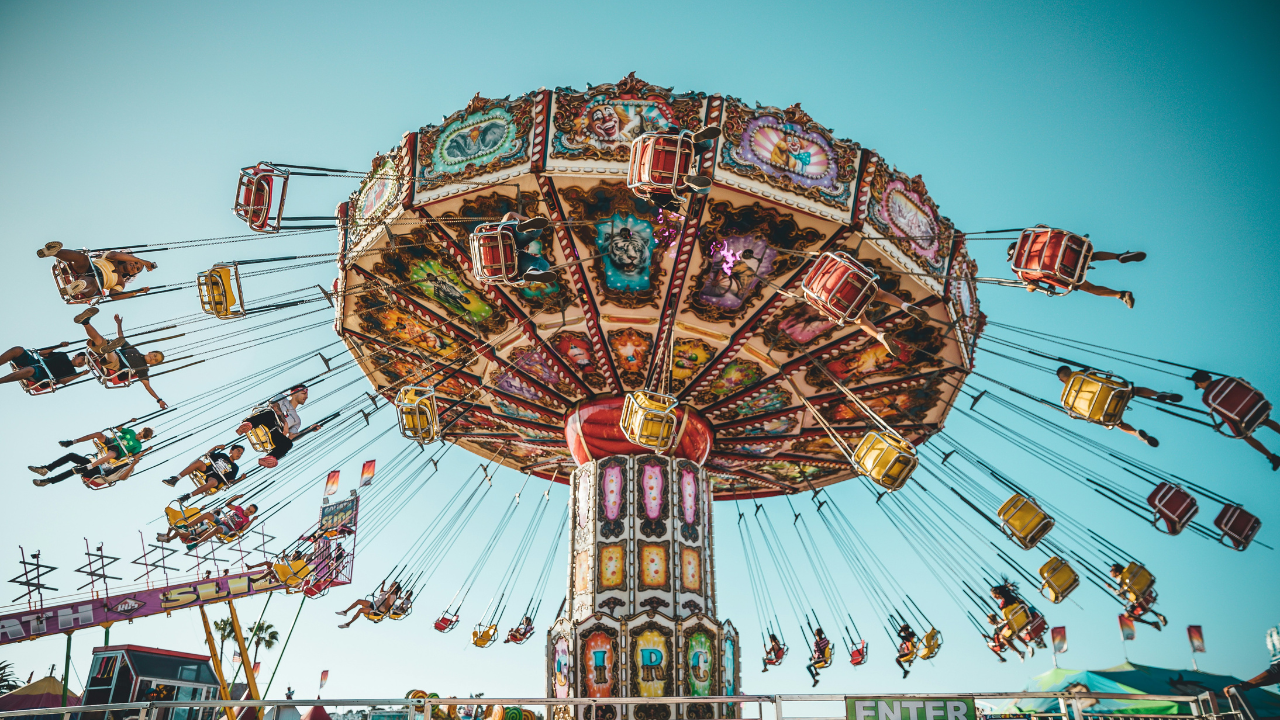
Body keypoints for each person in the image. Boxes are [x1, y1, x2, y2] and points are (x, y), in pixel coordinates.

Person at [1057, 366, 1180, 448]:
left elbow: (1076, 414)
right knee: (1135, 390)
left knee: (1117, 423)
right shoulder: (1082, 373)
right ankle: (1158, 394)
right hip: (1114, 393)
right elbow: (1101, 375)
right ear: (1070, 370)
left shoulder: (1065, 397)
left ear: (1062, 381)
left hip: (1102, 411)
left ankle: (1137, 434)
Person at [1007, 238, 1145, 308]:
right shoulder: (1037, 240)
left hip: (1064, 273)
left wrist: (1030, 287)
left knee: (1091, 289)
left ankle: (1121, 294)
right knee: (1091, 256)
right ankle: (1118, 256)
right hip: (1069, 251)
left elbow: (1032, 285)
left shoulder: (1020, 267)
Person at [74, 308, 167, 408]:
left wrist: (159, 400)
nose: (153, 358)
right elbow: (121, 338)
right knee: (99, 340)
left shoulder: (143, 369)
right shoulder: (134, 350)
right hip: (103, 354)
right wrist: (118, 324)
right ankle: (85, 322)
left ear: (153, 364)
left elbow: (147, 386)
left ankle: (109, 350)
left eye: (155, 360)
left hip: (115, 367)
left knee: (113, 355)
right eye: (154, 355)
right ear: (150, 352)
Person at [1191, 370, 1280, 470]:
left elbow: (1226, 414)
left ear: (1198, 383)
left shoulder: (1207, 398)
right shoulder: (1227, 380)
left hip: (1242, 417)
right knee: (1265, 420)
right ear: (1210, 377)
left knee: (1244, 436)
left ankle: (1271, 457)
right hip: (1257, 405)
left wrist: (1221, 425)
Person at [237, 384, 323, 468]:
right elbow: (274, 405)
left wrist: (309, 430)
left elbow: (292, 436)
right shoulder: (282, 398)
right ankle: (247, 424)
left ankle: (269, 457)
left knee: (288, 443)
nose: (306, 397)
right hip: (266, 421)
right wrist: (285, 422)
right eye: (304, 393)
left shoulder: (297, 420)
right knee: (270, 413)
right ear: (294, 393)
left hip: (275, 433)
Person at [37, 242, 157, 301]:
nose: (133, 265)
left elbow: (114, 296)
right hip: (86, 268)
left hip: (94, 284)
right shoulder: (112, 258)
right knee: (82, 258)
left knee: (90, 283)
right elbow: (114, 254)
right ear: (128, 258)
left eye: (136, 268)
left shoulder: (120, 282)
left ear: (132, 274)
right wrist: (142, 260)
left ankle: (72, 288)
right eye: (135, 262)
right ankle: (52, 252)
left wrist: (136, 292)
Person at [643, 126, 721, 212]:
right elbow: (671, 129)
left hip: (675, 179)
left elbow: (663, 202)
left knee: (706, 189)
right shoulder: (647, 147)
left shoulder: (651, 190)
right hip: (677, 152)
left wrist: (675, 201)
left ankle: (689, 181)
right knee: (702, 143)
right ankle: (695, 138)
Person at [156, 495, 257, 548]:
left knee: (217, 528)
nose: (248, 512)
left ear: (251, 514)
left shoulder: (246, 520)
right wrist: (237, 497)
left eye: (250, 512)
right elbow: (228, 504)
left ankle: (195, 543)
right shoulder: (238, 509)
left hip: (227, 529)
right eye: (248, 509)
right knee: (208, 515)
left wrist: (252, 520)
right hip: (222, 522)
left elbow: (243, 529)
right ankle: (185, 526)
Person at [28, 445, 149, 488]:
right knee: (72, 456)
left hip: (99, 475)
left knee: (75, 470)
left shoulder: (130, 467)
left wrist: (133, 463)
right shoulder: (120, 457)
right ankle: (46, 469)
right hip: (95, 465)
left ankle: (47, 481)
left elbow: (122, 478)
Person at [165, 444, 247, 499]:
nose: (239, 454)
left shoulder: (235, 468)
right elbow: (208, 454)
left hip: (216, 478)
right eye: (238, 451)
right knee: (199, 462)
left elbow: (230, 482)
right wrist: (216, 447)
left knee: (213, 482)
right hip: (208, 469)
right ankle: (175, 479)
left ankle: (188, 496)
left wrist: (240, 479)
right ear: (231, 451)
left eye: (241, 454)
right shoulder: (223, 455)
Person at [0, 342, 88, 390]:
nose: (82, 363)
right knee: (18, 350)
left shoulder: (72, 372)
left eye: (85, 363)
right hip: (36, 363)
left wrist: (81, 374)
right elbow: (42, 353)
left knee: (31, 370)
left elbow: (62, 381)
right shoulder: (62, 355)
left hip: (43, 376)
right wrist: (59, 346)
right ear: (75, 356)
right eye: (83, 359)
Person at [498, 213, 556, 285]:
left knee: (538, 229)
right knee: (544, 265)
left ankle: (533, 271)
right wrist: (525, 218)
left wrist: (522, 282)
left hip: (508, 256)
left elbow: (510, 215)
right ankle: (533, 271)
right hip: (512, 257)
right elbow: (510, 214)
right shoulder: (497, 228)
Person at [1106, 563, 1167, 630]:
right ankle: (1157, 614)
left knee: (1127, 615)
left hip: (1140, 597)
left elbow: (1123, 596)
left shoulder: (1121, 579)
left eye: (1112, 570)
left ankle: (1152, 623)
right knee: (1138, 602)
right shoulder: (1130, 570)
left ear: (1117, 573)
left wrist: (1111, 588)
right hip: (1148, 591)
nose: (1110, 571)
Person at [335, 580, 401, 628]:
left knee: (360, 610)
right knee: (358, 601)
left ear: (395, 589)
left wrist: (388, 598)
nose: (390, 586)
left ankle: (348, 624)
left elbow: (387, 608)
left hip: (377, 610)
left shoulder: (392, 597)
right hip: (374, 604)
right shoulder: (388, 592)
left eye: (392, 585)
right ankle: (345, 612)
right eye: (391, 584)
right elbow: (381, 592)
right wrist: (383, 584)